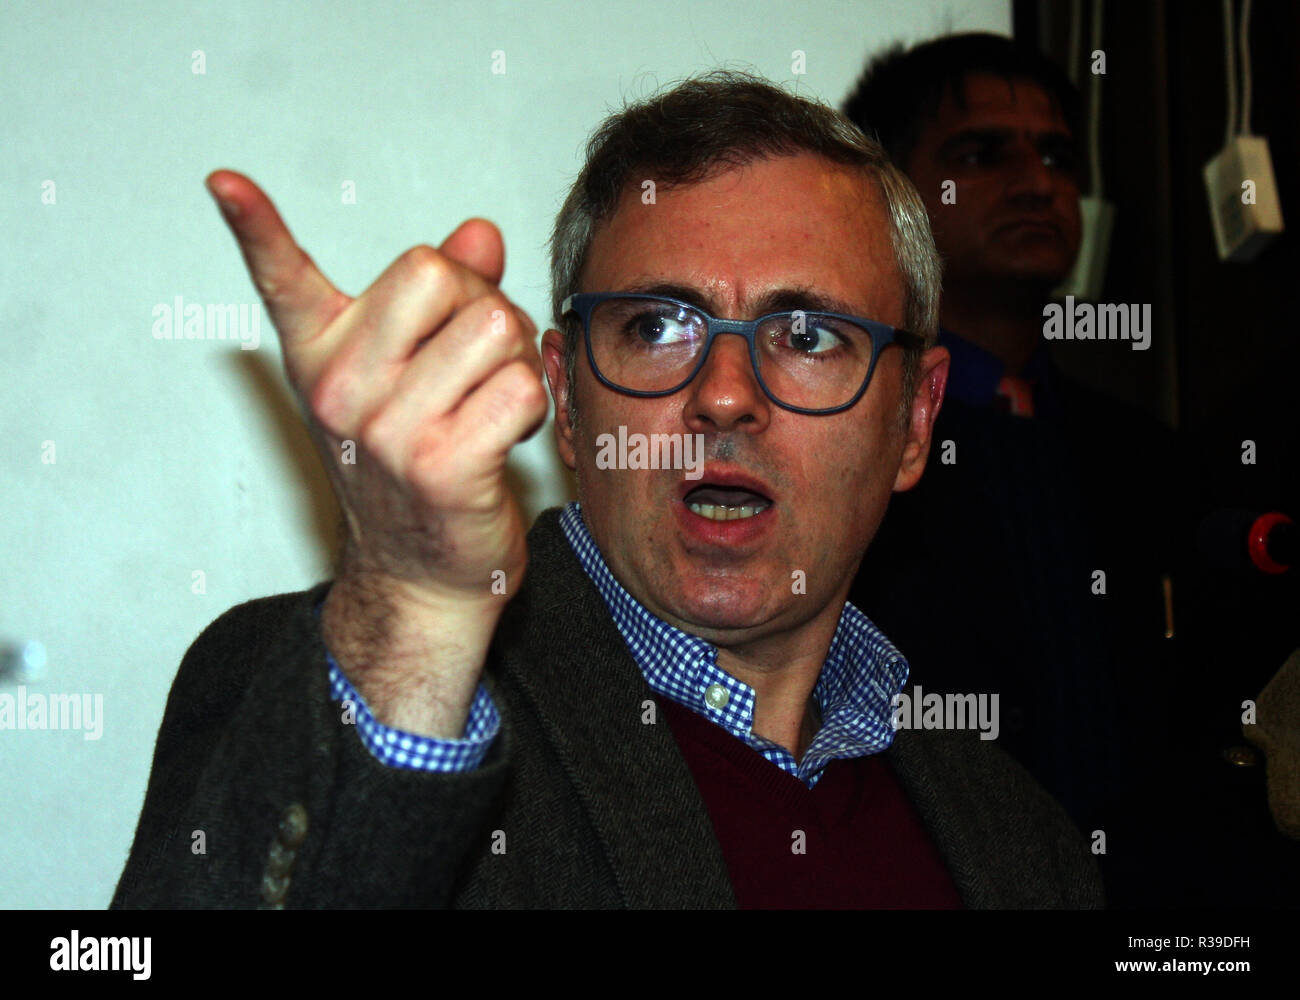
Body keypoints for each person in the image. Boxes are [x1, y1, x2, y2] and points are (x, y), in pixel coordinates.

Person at [112, 71, 1100, 909]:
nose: (723, 397)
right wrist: (411, 619)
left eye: (806, 338)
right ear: (567, 400)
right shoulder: (358, 692)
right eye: (656, 327)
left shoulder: (1025, 844)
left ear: (915, 422)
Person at [842, 35, 1182, 901]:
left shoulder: (1150, 456)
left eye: (1058, 154)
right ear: (890, 199)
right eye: (981, 152)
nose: (1038, 183)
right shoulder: (839, 446)